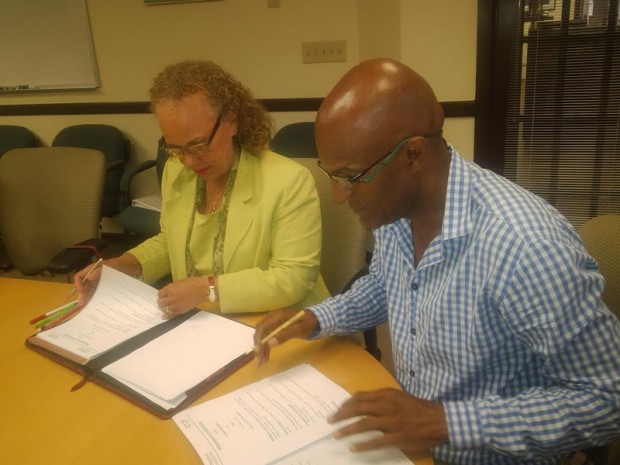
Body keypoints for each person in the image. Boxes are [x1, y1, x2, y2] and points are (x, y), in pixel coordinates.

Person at [253, 58, 620, 464]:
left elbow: (607, 400)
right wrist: (315, 318)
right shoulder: (396, 211)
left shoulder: (526, 247)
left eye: (352, 177)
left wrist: (446, 422)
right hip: (414, 440)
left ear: (413, 155)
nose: (339, 196)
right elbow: (386, 284)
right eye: (333, 177)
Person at [75, 60, 329, 315]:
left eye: (198, 145)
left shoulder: (288, 180)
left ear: (231, 120)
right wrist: (122, 266)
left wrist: (209, 290)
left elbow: (293, 278)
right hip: (203, 321)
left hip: (278, 321)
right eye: (175, 148)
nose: (188, 161)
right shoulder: (176, 171)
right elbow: (170, 242)